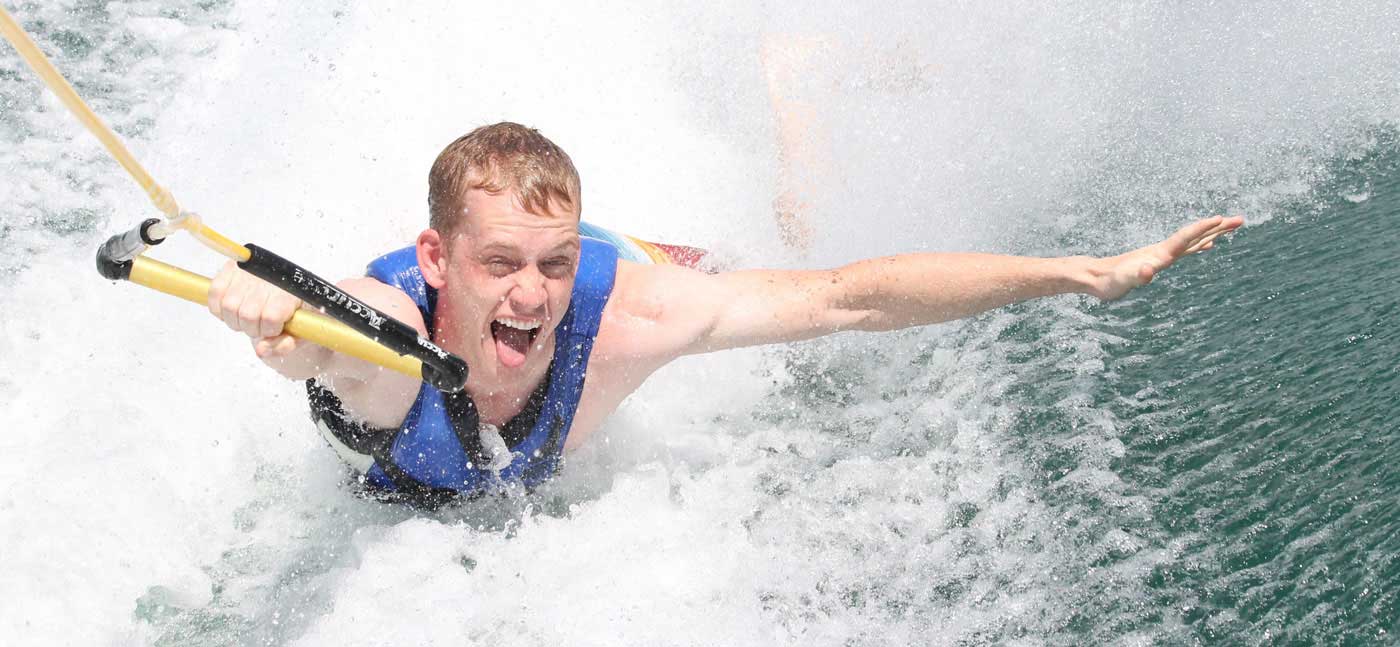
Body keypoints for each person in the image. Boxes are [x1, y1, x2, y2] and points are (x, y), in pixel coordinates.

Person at [207, 122, 1241, 506]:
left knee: (750, 274)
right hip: (394, 388)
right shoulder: (396, 337)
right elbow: (323, 337)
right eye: (500, 264)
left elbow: (848, 298)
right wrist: (275, 312)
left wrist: (1082, 273)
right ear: (441, 259)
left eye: (553, 264)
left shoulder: (621, 320)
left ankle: (789, 126)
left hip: (632, 268)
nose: (530, 294)